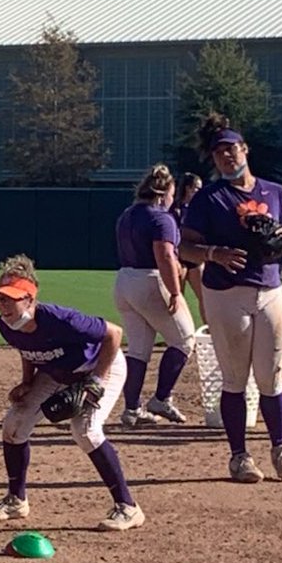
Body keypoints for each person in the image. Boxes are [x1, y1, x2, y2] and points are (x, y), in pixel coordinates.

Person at [180, 114, 282, 483]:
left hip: (269, 290)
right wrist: (214, 253)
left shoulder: (275, 192)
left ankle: (280, 447)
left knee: (271, 375)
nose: (226, 157)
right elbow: (184, 247)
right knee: (235, 378)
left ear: (244, 149)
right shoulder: (209, 197)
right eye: (219, 153)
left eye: (231, 149)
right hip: (227, 293)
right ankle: (239, 456)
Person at [0, 255, 144, 531]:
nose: (3, 304)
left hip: (101, 365)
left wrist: (96, 381)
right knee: (14, 424)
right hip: (56, 372)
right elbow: (28, 350)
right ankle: (16, 500)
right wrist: (27, 382)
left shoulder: (61, 319)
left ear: (30, 299)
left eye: (10, 298)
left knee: (85, 430)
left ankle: (128, 507)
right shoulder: (6, 324)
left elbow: (114, 335)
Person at [113, 164, 196, 427]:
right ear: (162, 194)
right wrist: (174, 291)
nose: (172, 199)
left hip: (124, 280)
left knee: (138, 348)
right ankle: (161, 398)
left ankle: (131, 409)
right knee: (184, 340)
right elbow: (165, 255)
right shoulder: (161, 218)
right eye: (171, 194)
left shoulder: (127, 214)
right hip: (149, 281)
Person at [174, 171, 206, 322]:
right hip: (179, 258)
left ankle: (210, 331)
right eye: (196, 188)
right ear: (188, 188)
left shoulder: (199, 210)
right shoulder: (176, 210)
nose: (199, 192)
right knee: (177, 297)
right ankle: (179, 335)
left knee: (204, 297)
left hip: (195, 258)